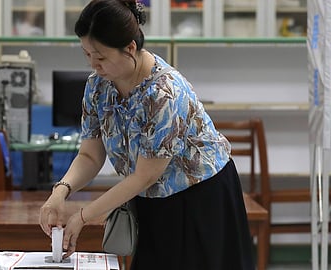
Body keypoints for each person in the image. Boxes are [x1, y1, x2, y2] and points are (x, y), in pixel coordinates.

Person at [39, 0, 255, 269]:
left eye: (102, 57)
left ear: (130, 48)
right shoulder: (98, 87)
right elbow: (90, 155)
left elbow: (146, 175)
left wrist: (83, 217)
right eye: (87, 55)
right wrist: (60, 192)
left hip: (200, 200)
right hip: (150, 199)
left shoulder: (163, 92)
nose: (94, 65)